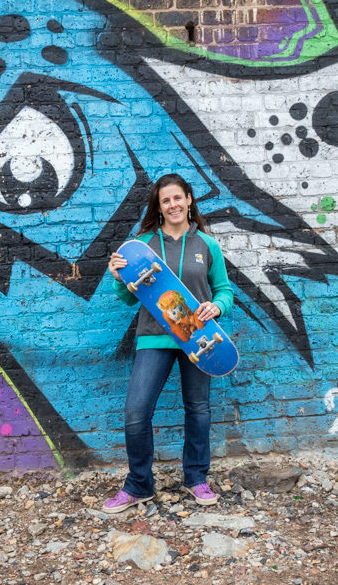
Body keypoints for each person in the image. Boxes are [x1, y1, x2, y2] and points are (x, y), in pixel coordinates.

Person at [103, 173, 234, 514]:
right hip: (155, 336)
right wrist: (119, 278)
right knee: (136, 411)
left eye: (178, 198)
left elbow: (224, 291)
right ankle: (138, 486)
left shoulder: (208, 245)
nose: (173, 204)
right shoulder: (143, 244)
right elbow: (128, 299)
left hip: (198, 337)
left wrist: (217, 306)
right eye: (166, 200)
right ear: (159, 207)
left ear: (189, 199)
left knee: (198, 409)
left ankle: (196, 478)